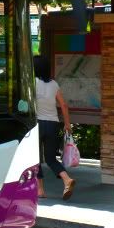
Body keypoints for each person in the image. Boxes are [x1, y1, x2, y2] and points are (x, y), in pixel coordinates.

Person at [34, 55, 76, 200]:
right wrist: (67, 124)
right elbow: (64, 105)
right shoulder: (54, 84)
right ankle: (67, 180)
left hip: (38, 124)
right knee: (51, 158)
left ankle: (40, 190)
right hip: (53, 124)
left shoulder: (33, 83)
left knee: (35, 159)